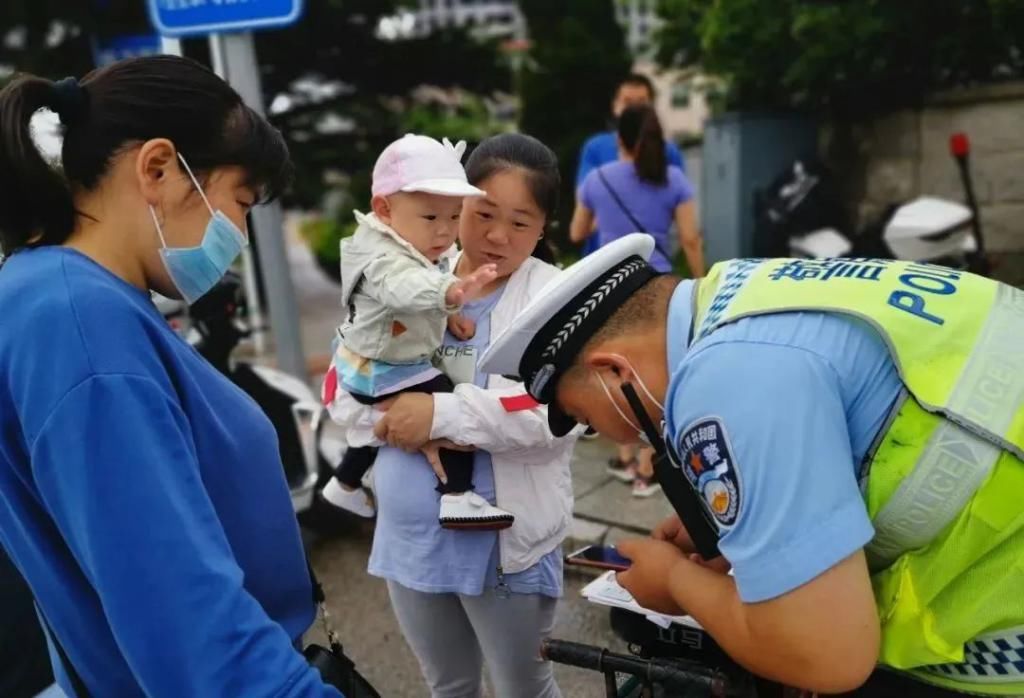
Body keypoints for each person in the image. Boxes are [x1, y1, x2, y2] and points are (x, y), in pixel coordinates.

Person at [480, 234, 1024, 695]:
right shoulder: (741, 290)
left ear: (613, 370)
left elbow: (829, 655)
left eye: (587, 418)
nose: (616, 437)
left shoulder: (723, 381)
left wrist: (675, 580)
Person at [0, 57, 340, 696]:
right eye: (240, 203)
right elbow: (187, 622)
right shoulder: (81, 326)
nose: (237, 234)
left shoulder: (61, 296)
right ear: (158, 168)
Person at [328, 133, 575, 698]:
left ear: (543, 228)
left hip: (503, 549)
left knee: (524, 689)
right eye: (483, 213)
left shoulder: (557, 300)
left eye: (520, 222)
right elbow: (346, 389)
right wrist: (393, 417)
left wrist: (436, 413)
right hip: (410, 538)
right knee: (448, 687)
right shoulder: (405, 273)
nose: (496, 235)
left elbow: (555, 419)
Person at [319, 133, 512, 530]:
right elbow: (403, 288)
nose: (444, 232)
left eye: (454, 217)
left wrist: (450, 312)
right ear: (384, 209)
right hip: (382, 367)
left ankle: (345, 482)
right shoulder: (380, 257)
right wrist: (450, 291)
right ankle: (459, 495)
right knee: (449, 408)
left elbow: (426, 293)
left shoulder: (416, 245)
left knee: (377, 430)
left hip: (369, 362)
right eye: (430, 217)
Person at [571, 105, 705, 496]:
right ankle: (650, 469)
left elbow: (579, 231)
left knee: (616, 373)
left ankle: (627, 461)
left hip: (610, 287)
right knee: (657, 375)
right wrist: (701, 282)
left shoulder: (597, 179)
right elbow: (691, 239)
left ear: (619, 141)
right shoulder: (675, 178)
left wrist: (606, 217)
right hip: (659, 288)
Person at [575, 73, 686, 258]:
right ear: (615, 106)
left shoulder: (669, 152)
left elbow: (679, 210)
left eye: (641, 101)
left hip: (651, 257)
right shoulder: (595, 148)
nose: (634, 108)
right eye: (627, 101)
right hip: (599, 258)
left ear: (651, 106)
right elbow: (584, 207)